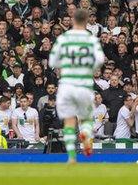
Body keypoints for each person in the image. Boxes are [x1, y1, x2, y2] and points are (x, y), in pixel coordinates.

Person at [48, 9, 105, 164]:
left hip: (67, 85)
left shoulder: (63, 38)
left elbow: (52, 63)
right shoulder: (90, 39)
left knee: (69, 120)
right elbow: (100, 60)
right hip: (84, 84)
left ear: (73, 20)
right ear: (86, 21)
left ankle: (72, 156)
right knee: (85, 118)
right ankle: (86, 138)